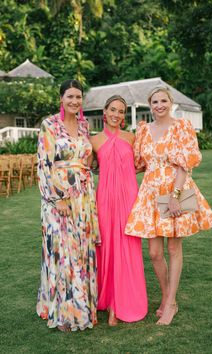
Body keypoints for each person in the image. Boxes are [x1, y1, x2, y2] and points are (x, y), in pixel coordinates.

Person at [125, 87, 212, 326]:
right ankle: (167, 295)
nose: (159, 105)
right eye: (154, 101)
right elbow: (138, 164)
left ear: (171, 102)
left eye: (163, 100)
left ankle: (171, 303)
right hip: (150, 191)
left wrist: (175, 196)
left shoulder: (182, 127)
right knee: (155, 253)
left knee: (174, 248)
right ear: (150, 104)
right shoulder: (144, 130)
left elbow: (185, 164)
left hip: (175, 188)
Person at [36, 79, 100, 332]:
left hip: (83, 198)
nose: (75, 101)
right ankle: (64, 314)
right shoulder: (49, 125)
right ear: (61, 98)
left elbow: (88, 159)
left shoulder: (84, 126)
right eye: (70, 96)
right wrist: (57, 197)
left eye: (78, 97)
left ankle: (82, 307)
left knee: (81, 250)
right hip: (58, 198)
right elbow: (43, 164)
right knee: (62, 251)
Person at [90, 95, 148, 326]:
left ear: (124, 115)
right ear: (105, 111)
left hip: (128, 199)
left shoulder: (132, 138)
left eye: (121, 111)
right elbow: (86, 167)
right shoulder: (93, 141)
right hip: (104, 199)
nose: (116, 114)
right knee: (107, 248)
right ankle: (108, 300)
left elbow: (141, 165)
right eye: (112, 109)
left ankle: (120, 303)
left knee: (127, 246)